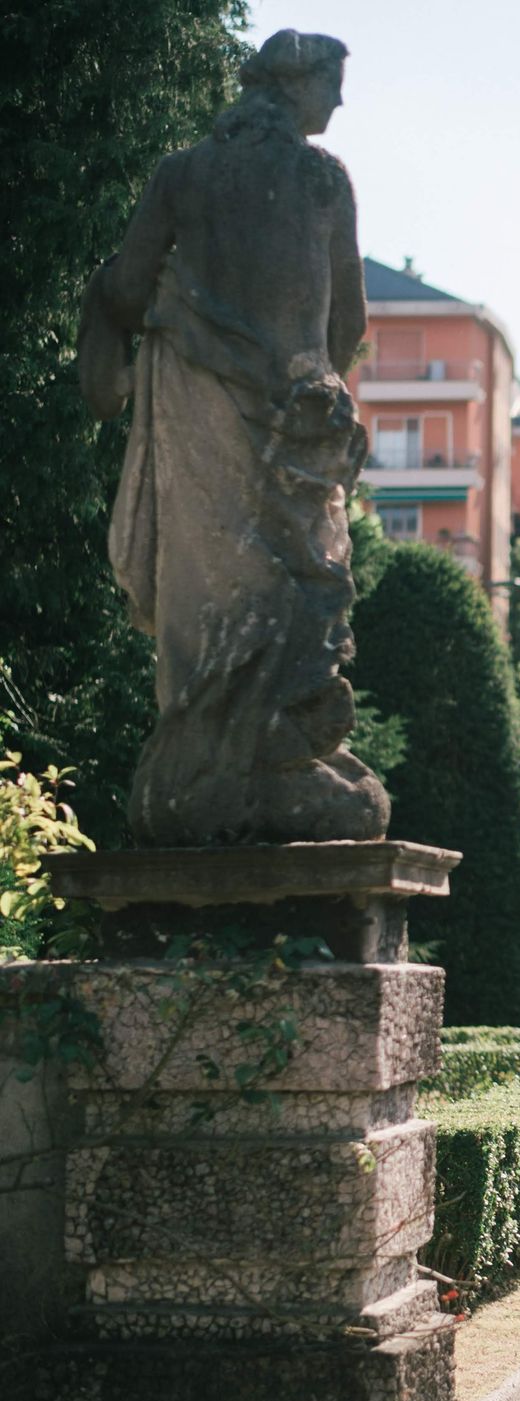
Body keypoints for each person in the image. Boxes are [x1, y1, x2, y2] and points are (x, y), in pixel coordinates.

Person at [79, 28, 388, 845]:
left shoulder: (182, 174)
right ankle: (257, 765)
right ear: (295, 86)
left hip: (201, 401)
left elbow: (126, 284)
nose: (340, 101)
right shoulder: (322, 180)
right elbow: (347, 319)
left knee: (210, 584)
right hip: (293, 416)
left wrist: (105, 319)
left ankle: (205, 764)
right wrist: (313, 378)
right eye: (332, 82)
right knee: (295, 579)